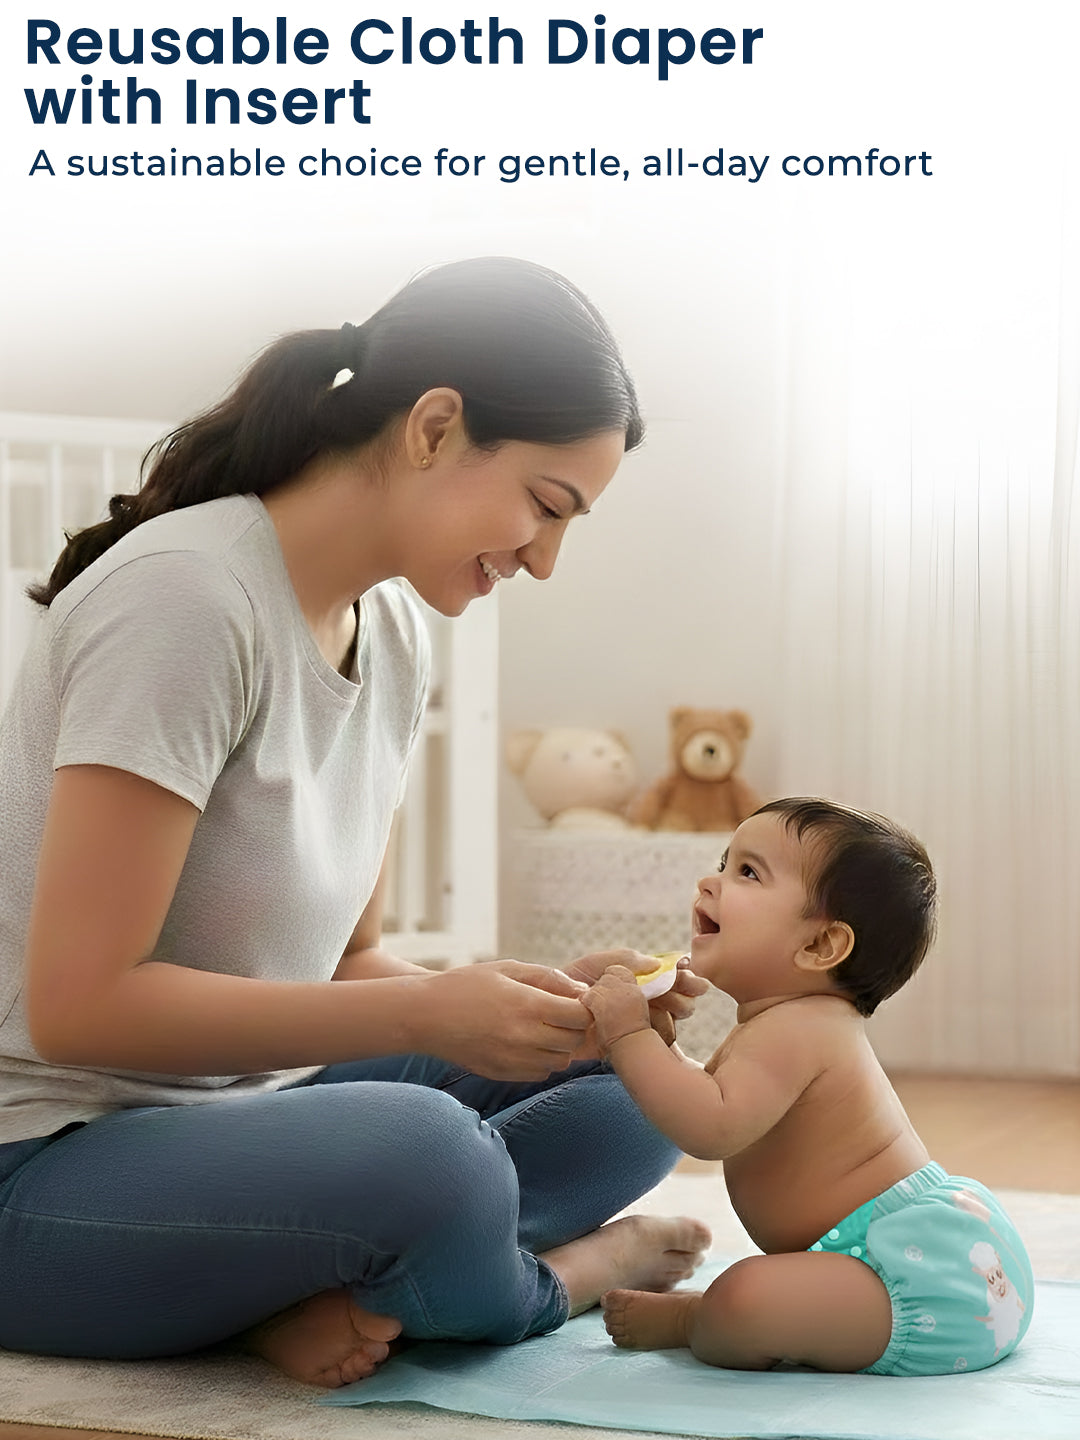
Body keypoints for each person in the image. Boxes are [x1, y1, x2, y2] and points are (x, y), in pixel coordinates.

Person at [0, 257, 711, 1388]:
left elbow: (351, 965)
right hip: (43, 1161)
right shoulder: (186, 599)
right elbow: (80, 1009)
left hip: (251, 1117)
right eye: (545, 503)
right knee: (433, 1161)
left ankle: (307, 1284)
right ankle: (553, 1280)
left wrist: (539, 1010)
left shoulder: (392, 632)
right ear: (435, 425)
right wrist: (431, 1010)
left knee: (644, 1088)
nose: (544, 558)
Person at [582, 797, 1034, 1376]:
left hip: (915, 1279)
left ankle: (693, 1319)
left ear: (820, 946)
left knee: (744, 1298)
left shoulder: (799, 1027)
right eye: (726, 862)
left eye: (747, 872)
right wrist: (658, 1047)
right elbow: (722, 1102)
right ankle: (721, 1312)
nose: (710, 881)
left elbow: (711, 1127)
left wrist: (627, 1035)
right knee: (758, 1292)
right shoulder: (789, 1024)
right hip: (913, 1257)